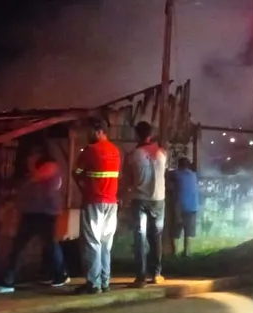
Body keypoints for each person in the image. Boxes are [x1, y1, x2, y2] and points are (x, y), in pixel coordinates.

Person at [0, 149, 68, 293]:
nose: (28, 161)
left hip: (44, 213)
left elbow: (34, 180)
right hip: (34, 212)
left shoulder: (49, 167)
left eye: (31, 157)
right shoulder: (41, 169)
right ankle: (59, 274)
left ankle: (8, 280)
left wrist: (30, 169)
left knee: (24, 246)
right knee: (43, 244)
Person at [73, 118, 121, 294]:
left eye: (89, 131)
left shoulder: (90, 150)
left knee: (92, 242)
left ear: (98, 130)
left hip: (93, 202)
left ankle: (93, 284)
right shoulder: (116, 151)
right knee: (105, 243)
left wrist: (83, 187)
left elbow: (76, 172)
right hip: (111, 203)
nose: (87, 135)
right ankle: (105, 281)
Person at [120, 121, 167, 288]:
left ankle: (140, 277)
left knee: (140, 237)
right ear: (150, 134)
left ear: (136, 134)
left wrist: (125, 196)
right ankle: (156, 274)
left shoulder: (133, 155)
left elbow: (127, 180)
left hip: (139, 199)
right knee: (156, 237)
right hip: (159, 199)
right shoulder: (162, 153)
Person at [171, 157, 200, 257]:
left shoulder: (176, 174)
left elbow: (168, 176)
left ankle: (175, 253)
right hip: (193, 206)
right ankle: (187, 252)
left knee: (176, 230)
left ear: (179, 165)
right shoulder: (194, 175)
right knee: (189, 231)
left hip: (180, 205)